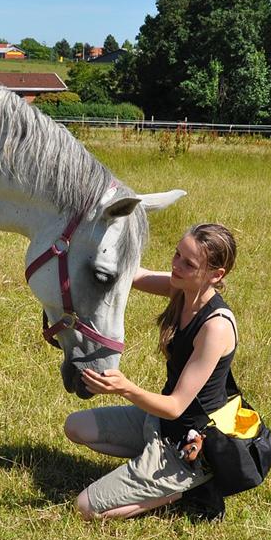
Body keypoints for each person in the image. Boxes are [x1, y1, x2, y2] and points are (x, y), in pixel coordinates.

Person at [65, 223, 239, 522]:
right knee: (75, 426)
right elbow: (136, 275)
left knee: (85, 508)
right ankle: (150, 465)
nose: (176, 265)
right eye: (177, 254)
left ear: (216, 274)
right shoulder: (181, 289)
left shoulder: (216, 327)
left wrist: (125, 388)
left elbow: (175, 406)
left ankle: (187, 488)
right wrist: (84, 247)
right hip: (158, 422)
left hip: (189, 442)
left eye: (188, 263)